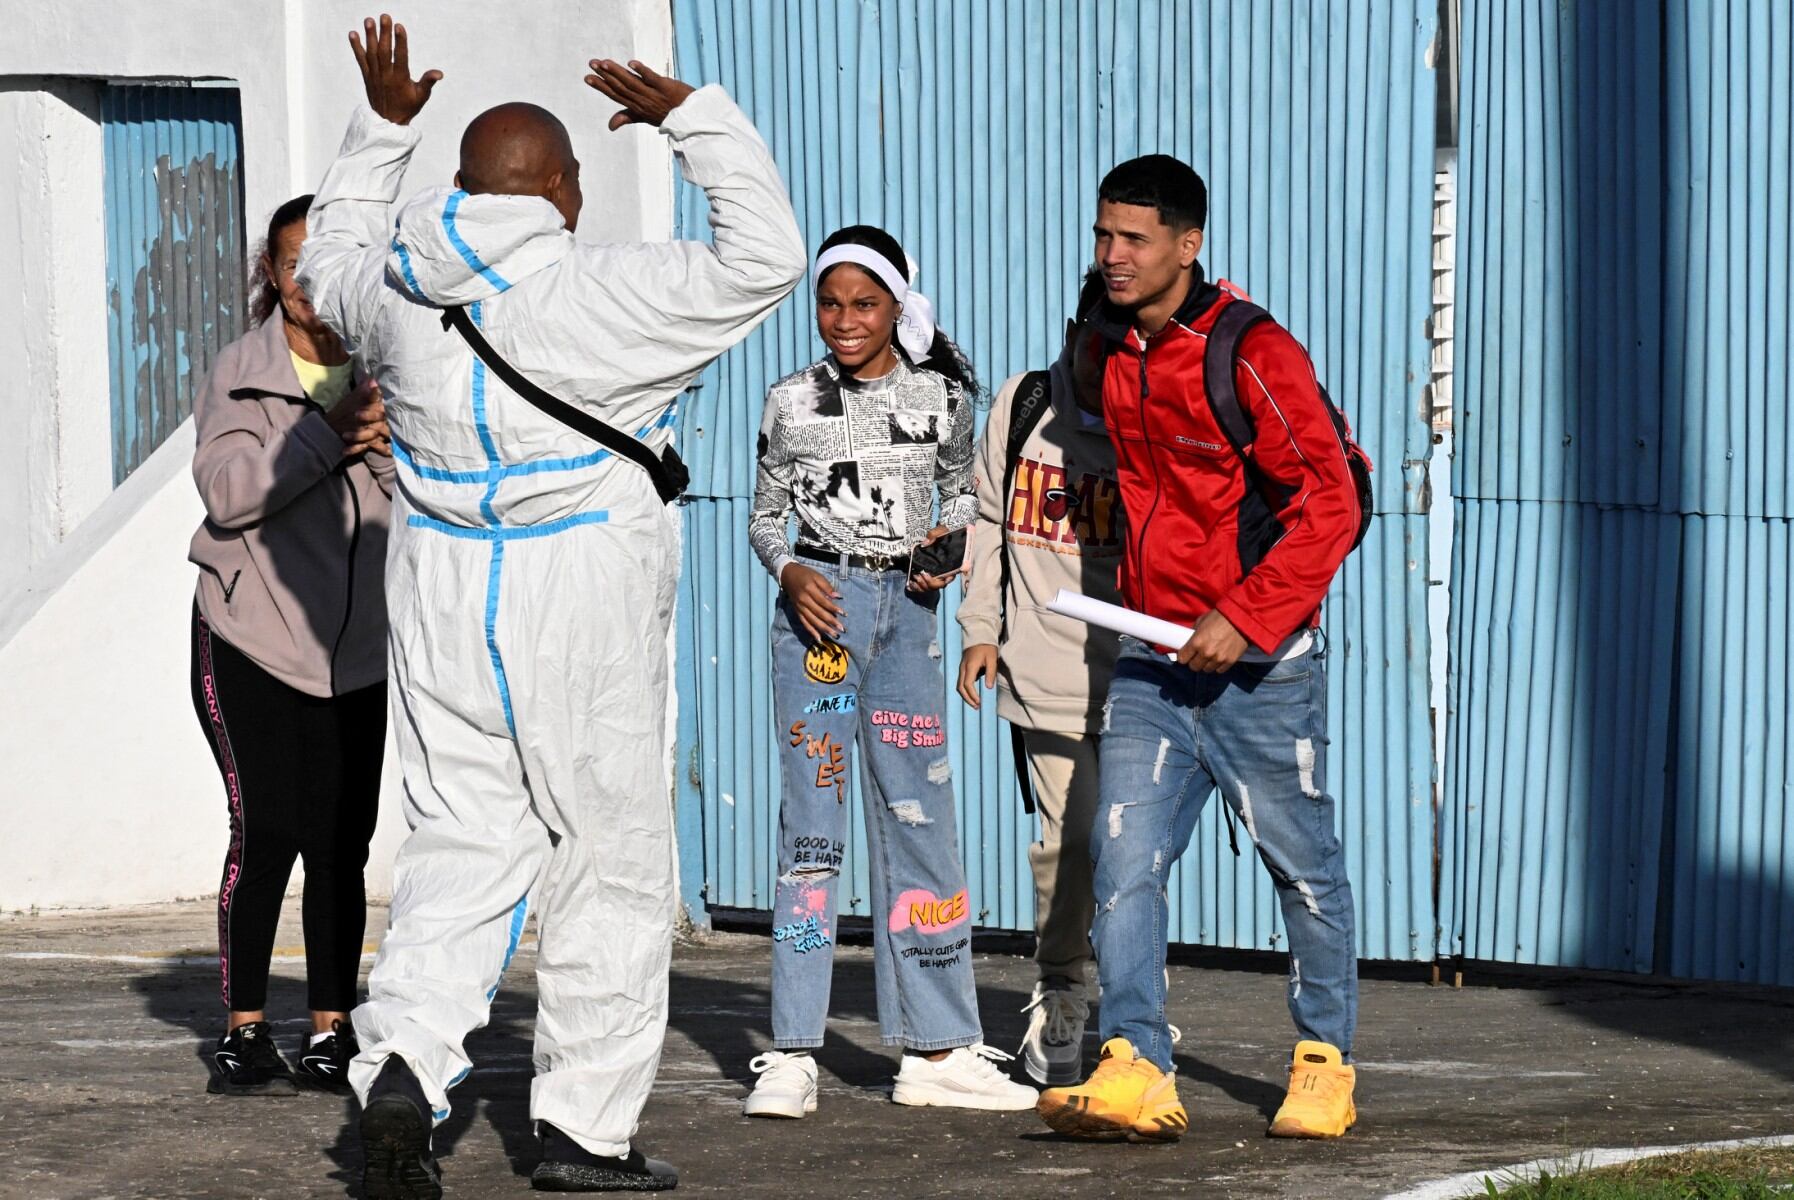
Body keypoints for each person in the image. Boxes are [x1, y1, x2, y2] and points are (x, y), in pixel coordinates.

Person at [296, 15, 805, 1195]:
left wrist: (381, 130)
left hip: (440, 585)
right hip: (580, 590)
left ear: (465, 184)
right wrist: (693, 120)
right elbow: (767, 254)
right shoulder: (613, 290)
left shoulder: (394, 290)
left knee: (458, 843)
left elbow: (326, 260)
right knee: (607, 857)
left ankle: (403, 1066)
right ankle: (583, 1131)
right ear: (563, 189)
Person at [1035, 155, 1363, 1143]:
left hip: (1261, 670)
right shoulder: (1103, 343)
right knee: (1122, 860)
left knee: (1302, 868)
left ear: (1190, 244)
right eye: (1104, 235)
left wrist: (1248, 614)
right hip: (1150, 658)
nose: (1113, 255)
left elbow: (1332, 503)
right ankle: (1136, 1063)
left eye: (1134, 239)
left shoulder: (1253, 352)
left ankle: (1324, 1064)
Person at [739, 225, 1037, 1120]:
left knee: (922, 826)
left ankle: (938, 1050)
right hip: (820, 620)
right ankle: (793, 1052)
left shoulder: (942, 397)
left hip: (907, 620)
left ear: (897, 307)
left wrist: (946, 547)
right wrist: (789, 573)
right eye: (829, 303)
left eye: (865, 304)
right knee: (812, 834)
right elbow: (764, 515)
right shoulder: (791, 400)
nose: (844, 320)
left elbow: (963, 496)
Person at [188, 193, 393, 1097]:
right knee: (267, 826)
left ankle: (330, 1027)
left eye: (323, 260)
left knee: (342, 840)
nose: (308, 281)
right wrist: (328, 433)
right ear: (270, 275)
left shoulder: (390, 366)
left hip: (358, 650)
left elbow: (423, 493)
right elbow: (230, 494)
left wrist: (379, 448)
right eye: (290, 264)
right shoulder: (241, 371)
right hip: (249, 634)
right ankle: (243, 1028)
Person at [955, 270, 1122, 1087]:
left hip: (1138, 681)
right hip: (1043, 671)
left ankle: (1132, 1009)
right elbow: (989, 521)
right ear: (1072, 332)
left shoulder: (1150, 417)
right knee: (1070, 841)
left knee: (1130, 853)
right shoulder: (1023, 404)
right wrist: (980, 631)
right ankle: (1060, 993)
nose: (1108, 362)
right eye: (1097, 344)